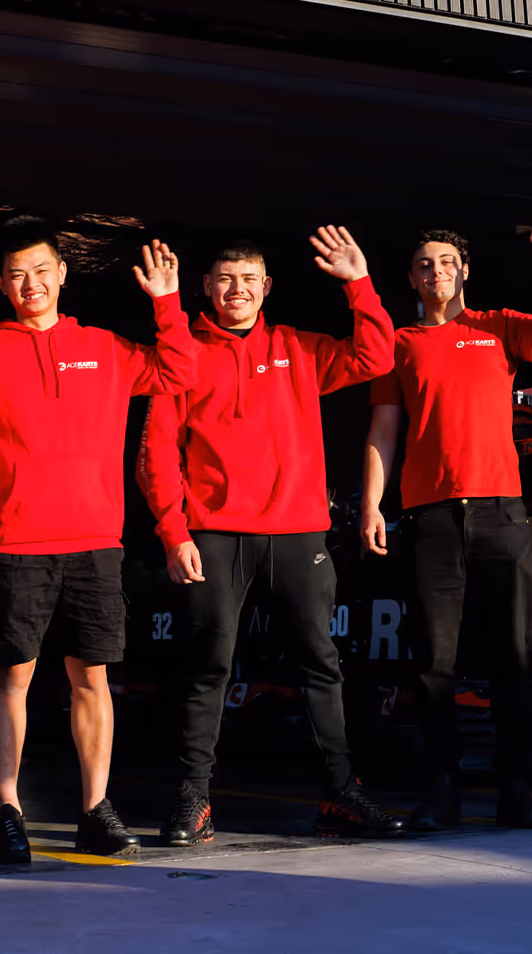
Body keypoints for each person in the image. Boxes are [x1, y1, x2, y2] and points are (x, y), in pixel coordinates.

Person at [136, 227, 403, 846]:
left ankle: (340, 795)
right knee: (207, 669)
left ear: (267, 288)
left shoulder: (298, 347)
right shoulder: (183, 354)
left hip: (298, 531)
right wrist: (174, 533)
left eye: (250, 280)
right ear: (206, 287)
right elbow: (156, 454)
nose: (237, 290)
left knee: (321, 665)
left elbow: (375, 358)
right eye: (226, 279)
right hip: (215, 535)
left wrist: (358, 283)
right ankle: (194, 802)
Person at [0, 216, 198, 865]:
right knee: (11, 677)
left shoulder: (107, 347)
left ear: (63, 274)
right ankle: (8, 814)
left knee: (91, 678)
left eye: (41, 271)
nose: (31, 284)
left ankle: (96, 810)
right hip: (15, 540)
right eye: (17, 275)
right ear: (2, 285)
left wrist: (167, 301)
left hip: (95, 541)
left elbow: (179, 369)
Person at [360, 209, 532, 832]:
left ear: (464, 271)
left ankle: (516, 791)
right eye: (422, 265)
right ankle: (441, 793)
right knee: (433, 665)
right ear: (411, 280)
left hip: (501, 514)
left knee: (511, 660)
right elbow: (384, 431)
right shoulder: (397, 346)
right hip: (430, 517)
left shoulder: (497, 329)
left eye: (445, 262)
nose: (434, 271)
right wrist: (370, 505)